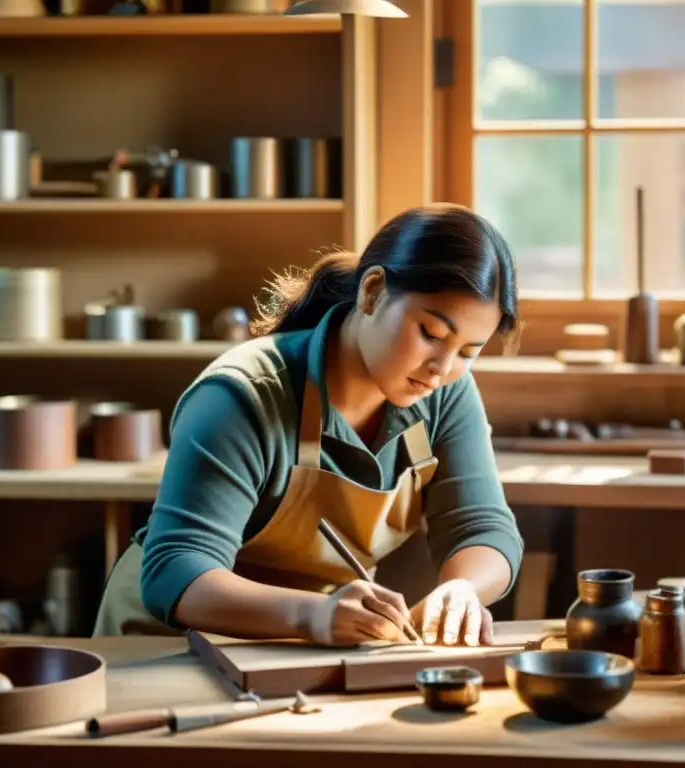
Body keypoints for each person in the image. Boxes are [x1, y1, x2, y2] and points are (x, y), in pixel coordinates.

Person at [93, 203, 524, 647]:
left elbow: (484, 527)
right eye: (431, 334)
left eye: (468, 351)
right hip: (166, 642)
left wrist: (463, 590)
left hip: (301, 642)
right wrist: (312, 615)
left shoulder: (445, 393)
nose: (442, 367)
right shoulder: (242, 395)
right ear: (373, 291)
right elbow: (176, 568)